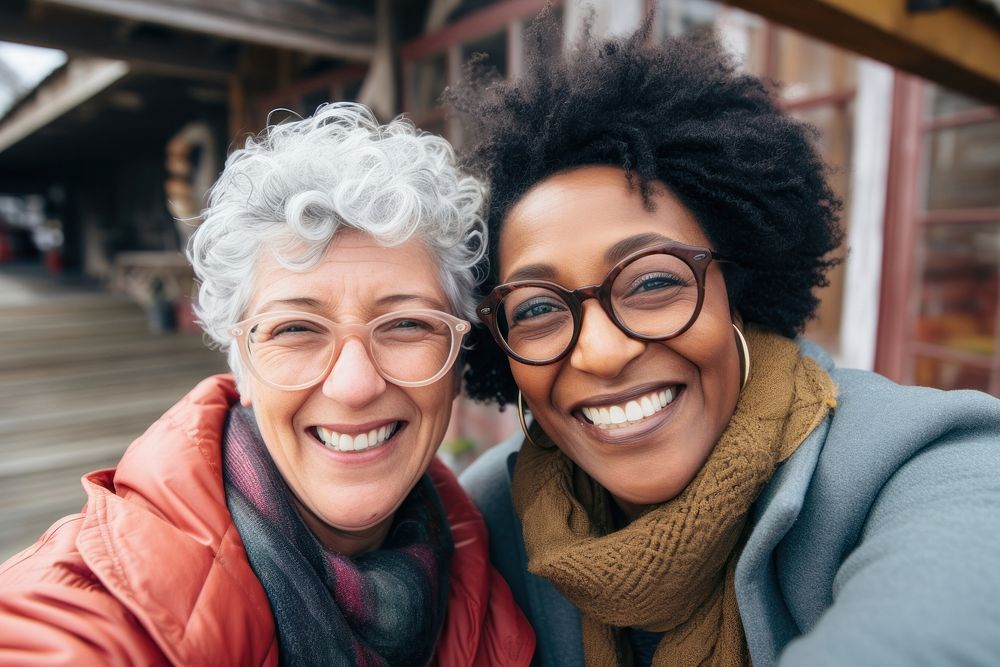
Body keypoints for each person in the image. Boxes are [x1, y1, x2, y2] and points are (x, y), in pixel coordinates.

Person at [451, 13, 1000, 667]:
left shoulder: (915, 465)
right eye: (538, 307)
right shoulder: (490, 515)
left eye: (652, 282)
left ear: (737, 291)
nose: (600, 351)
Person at [0, 103, 534, 666]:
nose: (354, 386)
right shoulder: (89, 616)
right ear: (243, 367)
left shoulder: (499, 571)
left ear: (456, 365)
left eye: (406, 325)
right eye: (296, 329)